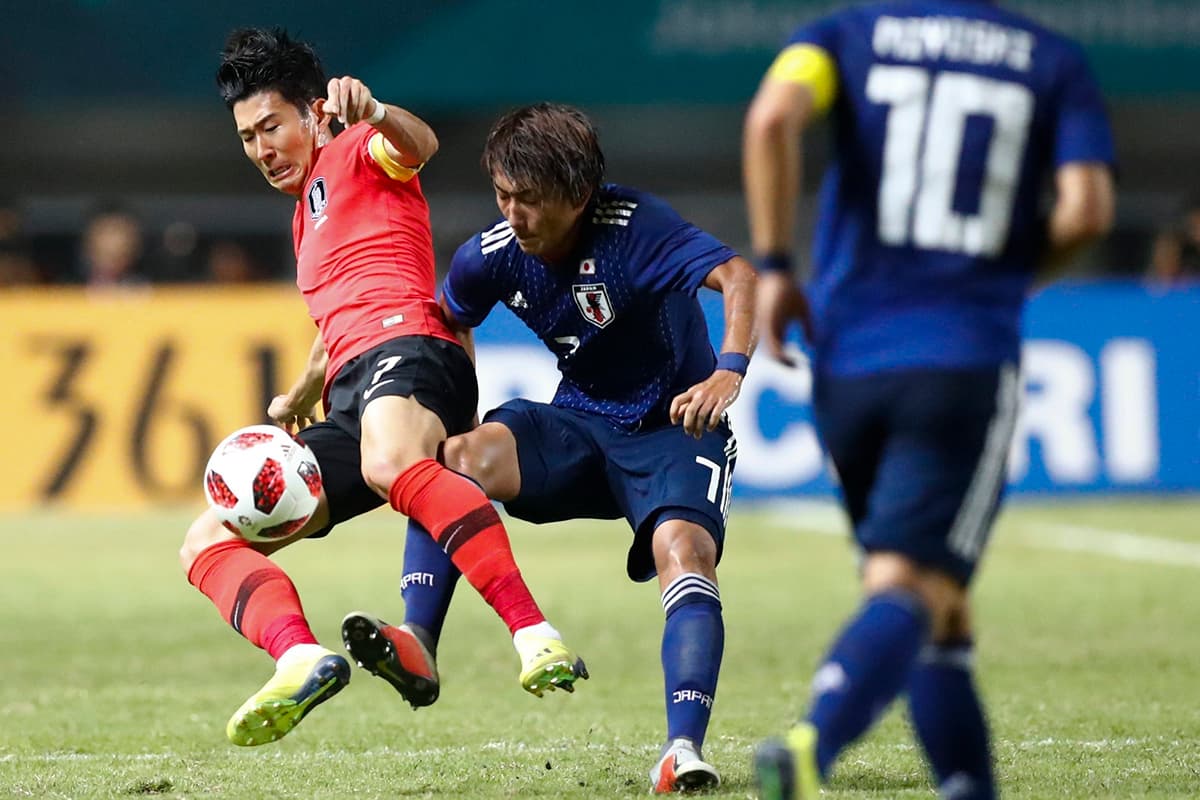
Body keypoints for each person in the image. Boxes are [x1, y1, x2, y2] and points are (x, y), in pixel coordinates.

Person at [742, 3, 1116, 798]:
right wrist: (1004, 278)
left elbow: (773, 118)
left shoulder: (841, 37)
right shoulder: (1050, 59)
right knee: (910, 584)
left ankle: (966, 784)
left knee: (939, 608)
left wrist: (775, 264)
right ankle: (812, 749)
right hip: (960, 361)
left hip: (847, 362)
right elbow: (1086, 207)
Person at [179, 28, 585, 748]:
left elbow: (417, 144)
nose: (260, 148)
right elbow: (339, 311)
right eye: (247, 136)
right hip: (351, 391)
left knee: (389, 460)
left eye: (271, 125)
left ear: (312, 111)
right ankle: (298, 655)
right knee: (206, 538)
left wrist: (376, 111)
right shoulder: (307, 210)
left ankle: (533, 631)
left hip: (417, 352)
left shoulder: (357, 150)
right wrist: (307, 386)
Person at [340, 103, 756, 794]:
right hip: (579, 425)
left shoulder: (637, 229)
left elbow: (738, 278)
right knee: (449, 462)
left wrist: (729, 371)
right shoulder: (494, 255)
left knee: (684, 556)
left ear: (579, 195)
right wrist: (454, 410)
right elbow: (448, 318)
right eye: (503, 195)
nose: (514, 214)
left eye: (529, 199)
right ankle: (419, 640)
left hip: (673, 429)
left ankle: (681, 751)